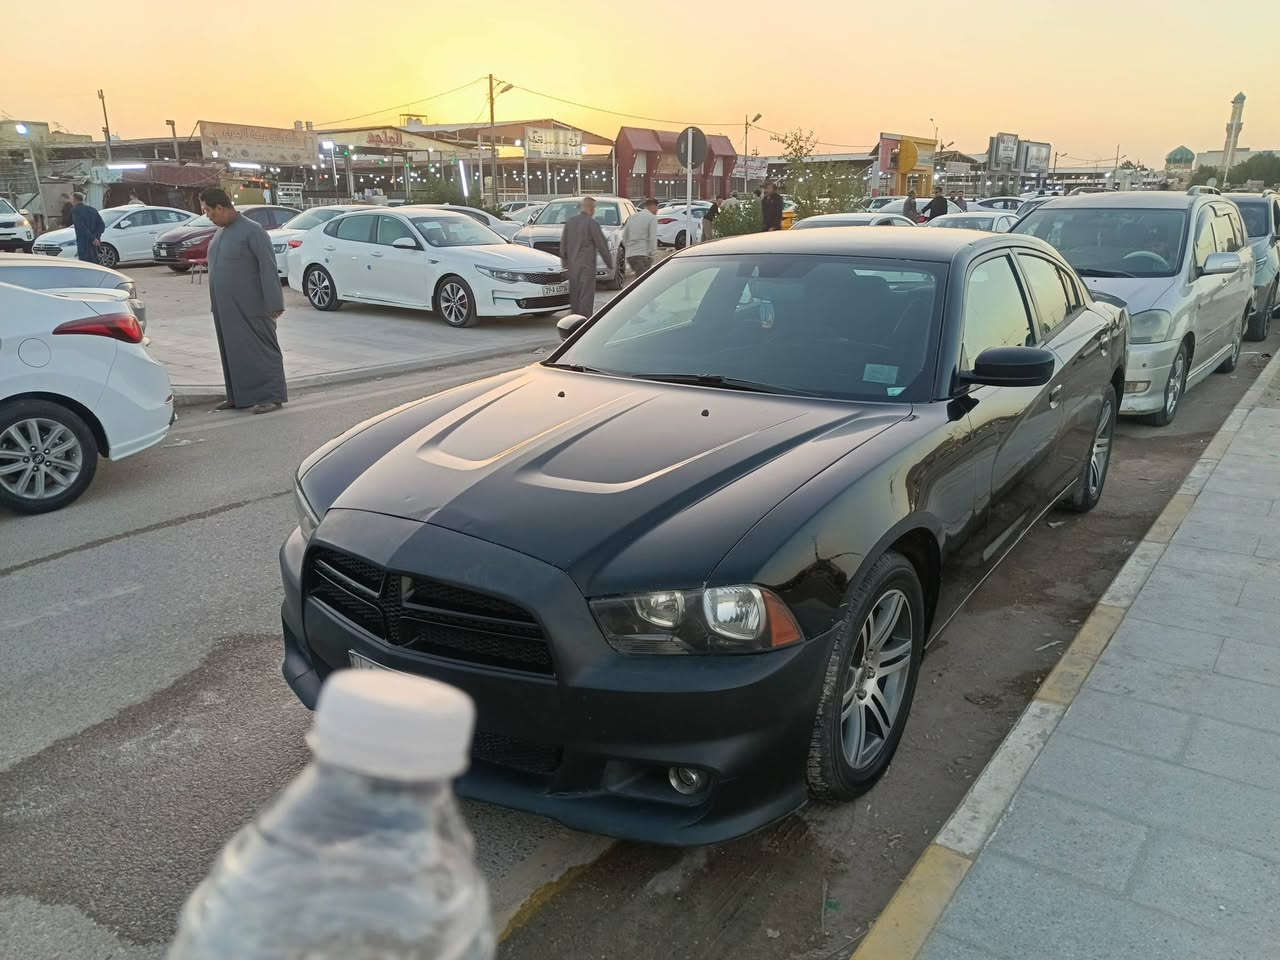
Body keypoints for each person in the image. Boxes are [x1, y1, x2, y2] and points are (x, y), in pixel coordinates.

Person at [201, 187, 287, 414]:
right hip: (226, 308)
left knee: (261, 351)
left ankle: (271, 396)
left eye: (208, 211)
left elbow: (268, 267)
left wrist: (274, 303)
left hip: (252, 306)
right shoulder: (220, 232)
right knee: (233, 351)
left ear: (220, 207)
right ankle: (239, 397)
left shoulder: (253, 231)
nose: (207, 216)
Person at [561, 196, 612, 318]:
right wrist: (609, 263)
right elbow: (602, 245)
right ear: (590, 208)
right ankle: (584, 321)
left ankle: (574, 320)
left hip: (572, 266)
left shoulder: (570, 222)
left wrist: (565, 264)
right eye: (594, 208)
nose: (594, 211)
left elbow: (563, 246)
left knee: (575, 295)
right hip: (587, 266)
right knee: (586, 295)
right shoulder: (592, 223)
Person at [621, 197, 658, 280]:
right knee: (643, 281)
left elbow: (624, 237)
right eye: (656, 208)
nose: (657, 210)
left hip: (630, 256)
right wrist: (652, 253)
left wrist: (629, 248)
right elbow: (652, 237)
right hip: (643, 255)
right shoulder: (652, 218)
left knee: (639, 279)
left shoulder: (632, 217)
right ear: (652, 206)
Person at [69, 193, 106, 263]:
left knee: (85, 264)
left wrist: (92, 238)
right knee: (95, 264)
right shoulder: (93, 210)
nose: (71, 201)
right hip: (95, 244)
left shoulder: (75, 210)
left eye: (71, 199)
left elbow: (81, 227)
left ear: (75, 200)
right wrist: (96, 237)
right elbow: (102, 226)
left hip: (84, 243)